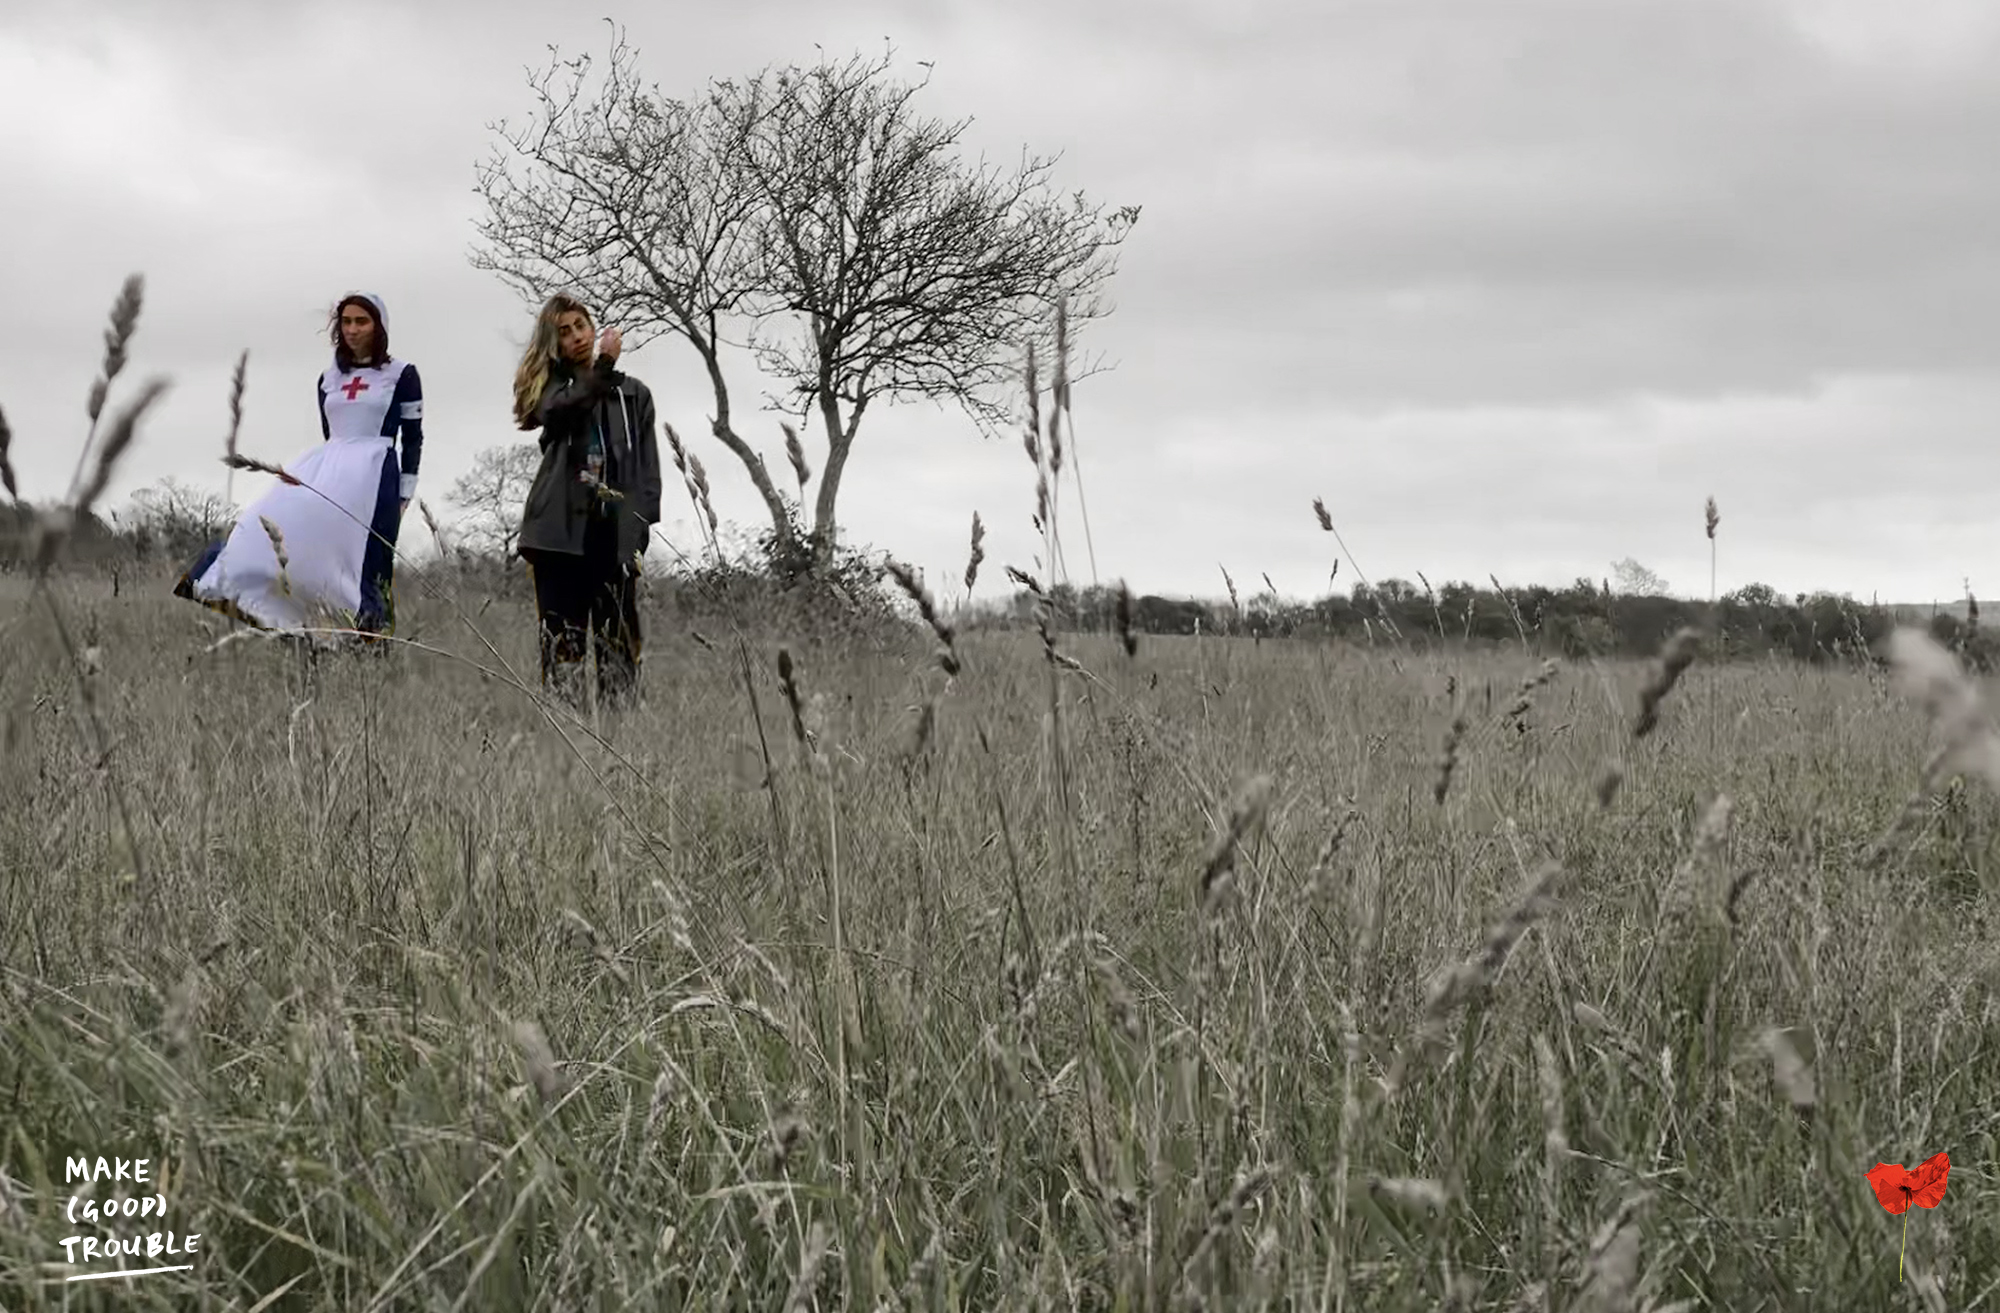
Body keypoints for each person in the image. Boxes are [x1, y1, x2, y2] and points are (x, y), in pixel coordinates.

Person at [175, 292, 423, 638]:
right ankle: (298, 630)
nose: (352, 330)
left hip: (376, 474)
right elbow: (330, 433)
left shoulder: (402, 375)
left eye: (361, 321)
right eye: (346, 322)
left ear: (379, 326)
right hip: (326, 470)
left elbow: (413, 438)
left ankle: (371, 644)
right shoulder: (328, 378)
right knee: (271, 530)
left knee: (367, 565)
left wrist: (405, 493)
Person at [512, 293, 662, 706]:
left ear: (593, 329)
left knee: (618, 652)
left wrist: (639, 530)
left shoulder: (635, 395)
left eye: (581, 326)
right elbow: (564, 414)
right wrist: (604, 367)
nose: (577, 337)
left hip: (614, 534)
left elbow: (648, 471)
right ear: (553, 344)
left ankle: (618, 748)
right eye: (564, 332)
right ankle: (566, 751)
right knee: (564, 653)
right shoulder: (554, 389)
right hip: (559, 536)